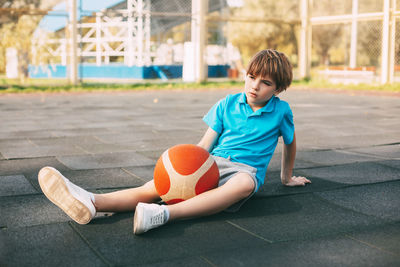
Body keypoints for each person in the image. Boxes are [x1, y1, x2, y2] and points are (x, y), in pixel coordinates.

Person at [38, 49, 311, 235]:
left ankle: (163, 215)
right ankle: (92, 201)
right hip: (213, 162)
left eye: (265, 82)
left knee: (242, 185)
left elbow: (290, 143)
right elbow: (205, 145)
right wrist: (187, 168)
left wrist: (286, 178)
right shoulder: (228, 103)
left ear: (278, 88)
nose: (254, 85)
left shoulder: (281, 111)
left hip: (244, 171)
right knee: (157, 186)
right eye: (251, 77)